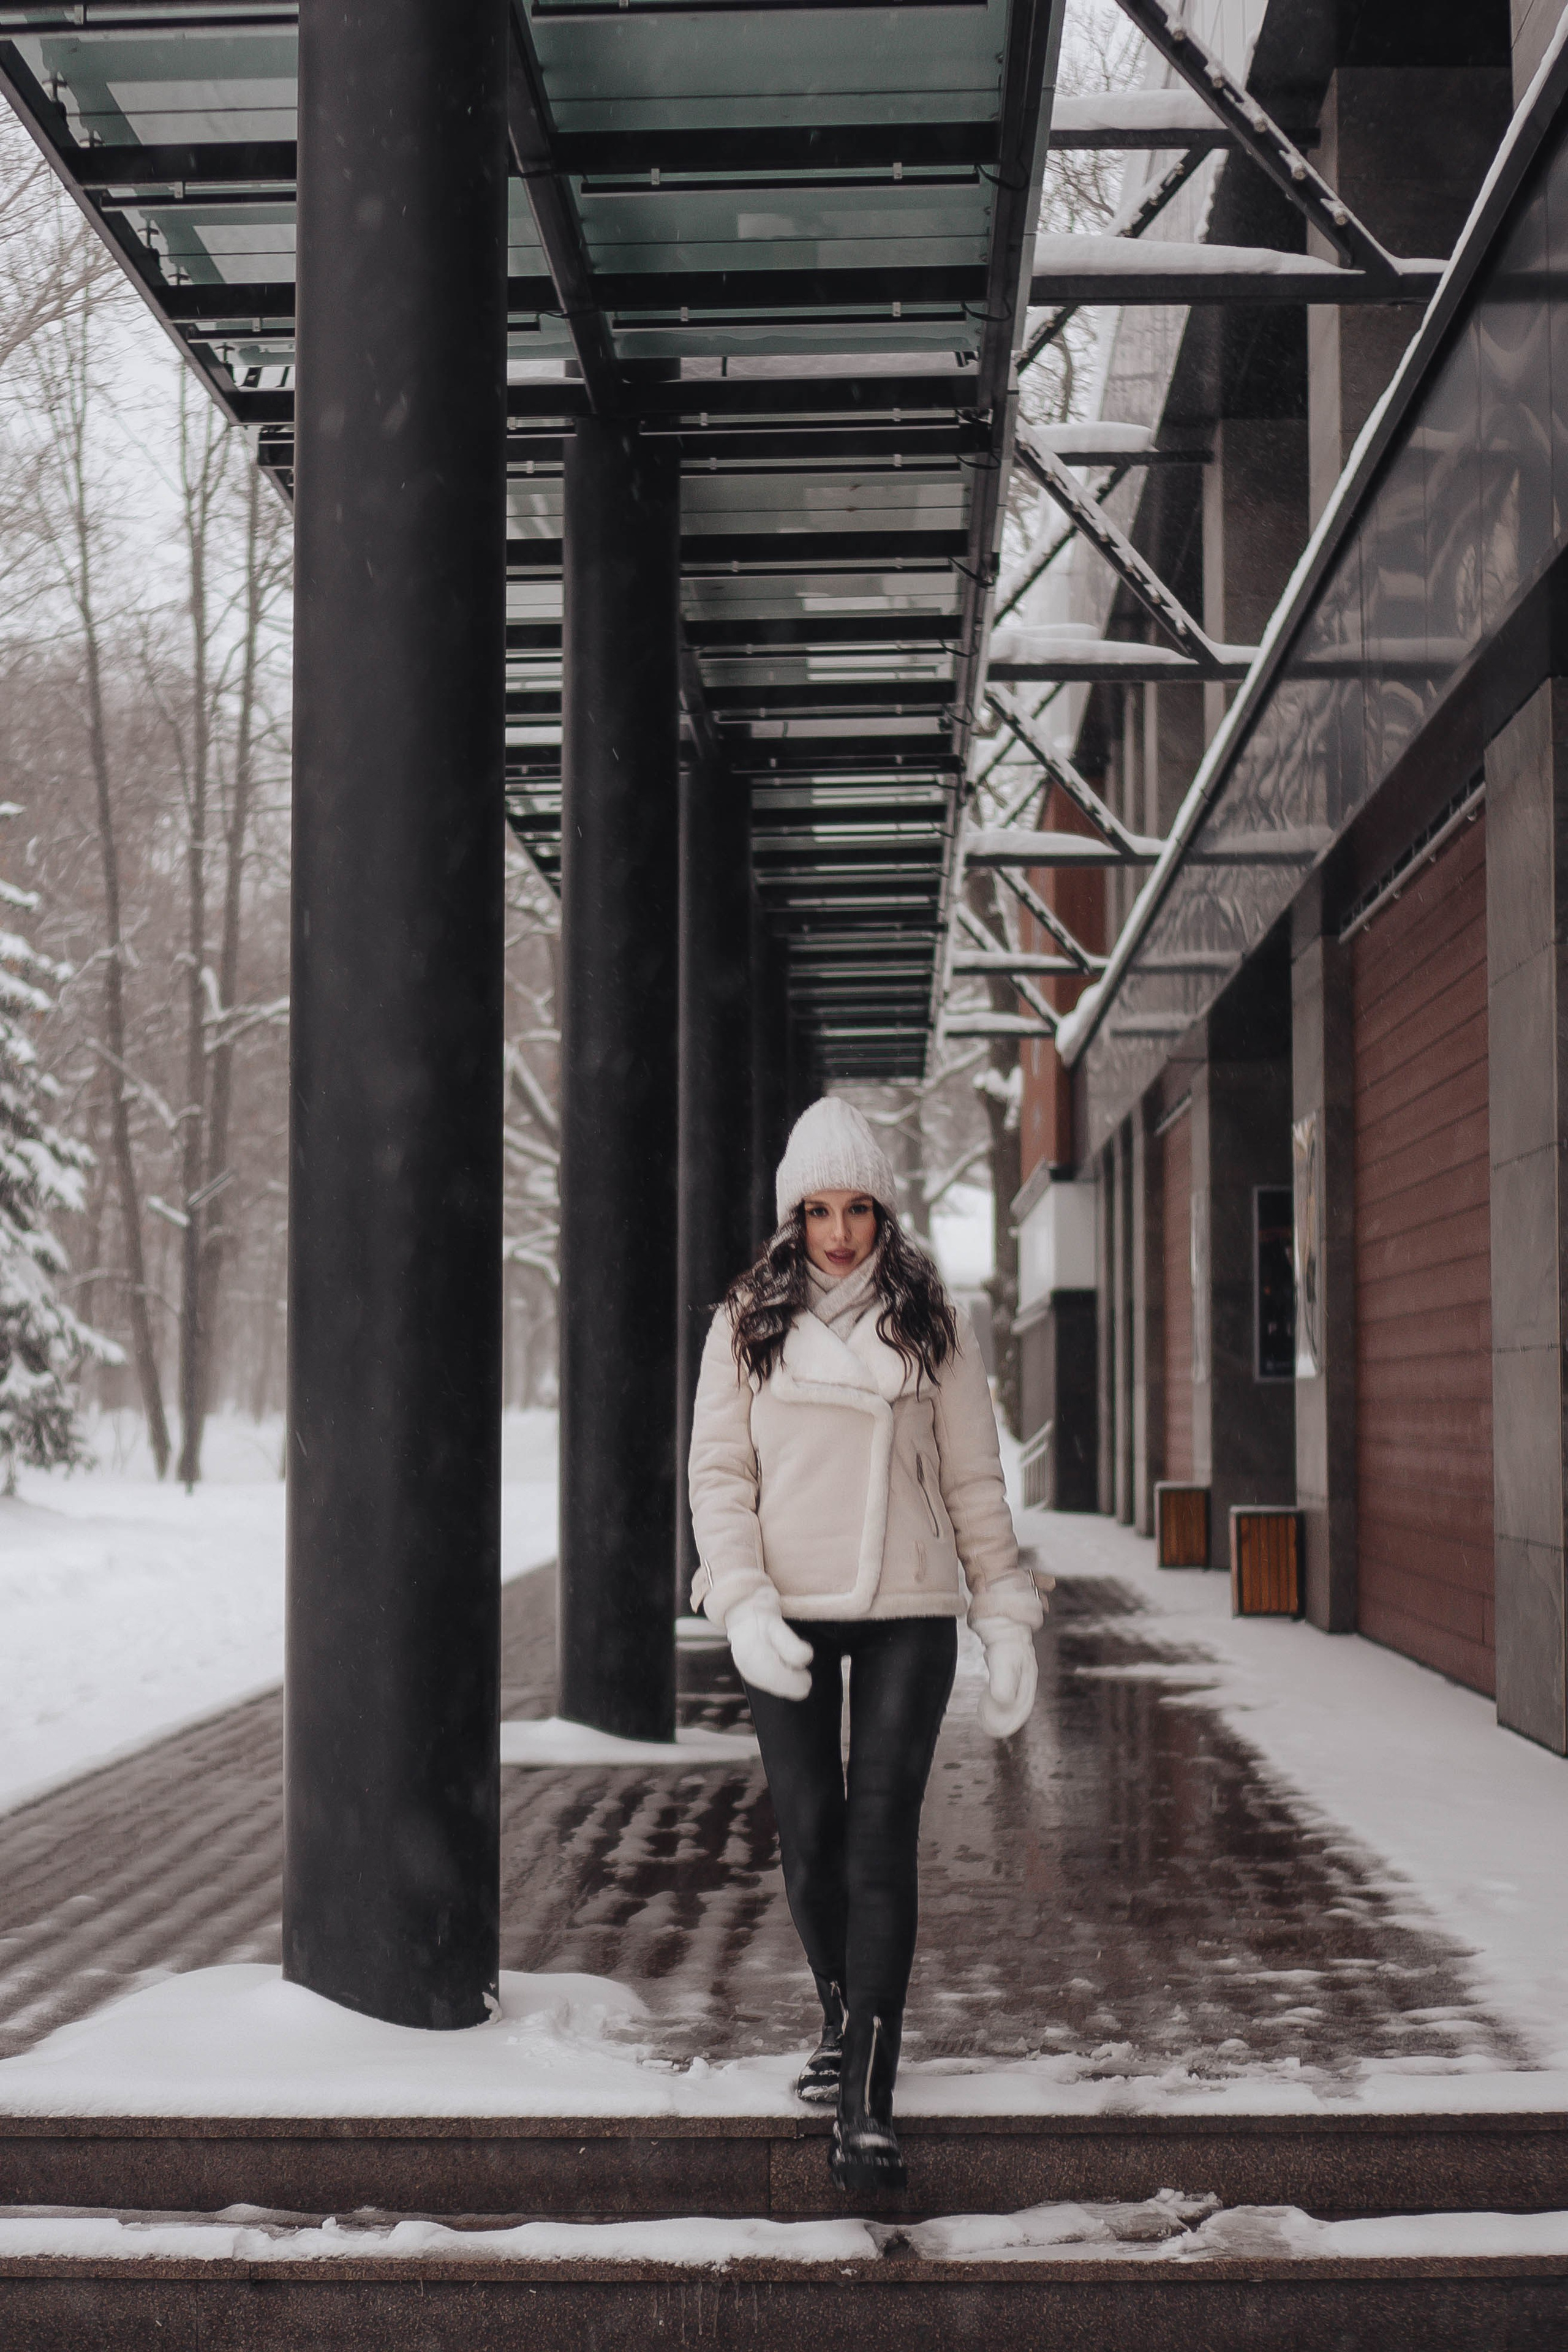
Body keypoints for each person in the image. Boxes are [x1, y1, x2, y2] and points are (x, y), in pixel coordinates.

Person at [687, 1096, 1044, 2192]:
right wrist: (742, 1604)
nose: (839, 1232)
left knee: (882, 1833)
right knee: (811, 1831)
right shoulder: (744, 1321)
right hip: (787, 1608)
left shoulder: (933, 1319)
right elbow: (720, 1478)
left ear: (882, 1209)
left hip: (908, 1606)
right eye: (819, 1210)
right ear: (793, 1215)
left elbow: (975, 1478)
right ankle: (845, 2012)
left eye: (857, 1208)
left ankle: (867, 2102)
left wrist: (1004, 1609)